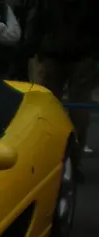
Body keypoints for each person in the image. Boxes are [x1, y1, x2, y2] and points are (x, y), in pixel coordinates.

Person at [27, 0, 98, 181]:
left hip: (53, 51)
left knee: (48, 110)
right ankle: (73, 164)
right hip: (81, 53)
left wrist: (32, 48)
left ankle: (49, 162)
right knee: (79, 112)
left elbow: (37, 19)